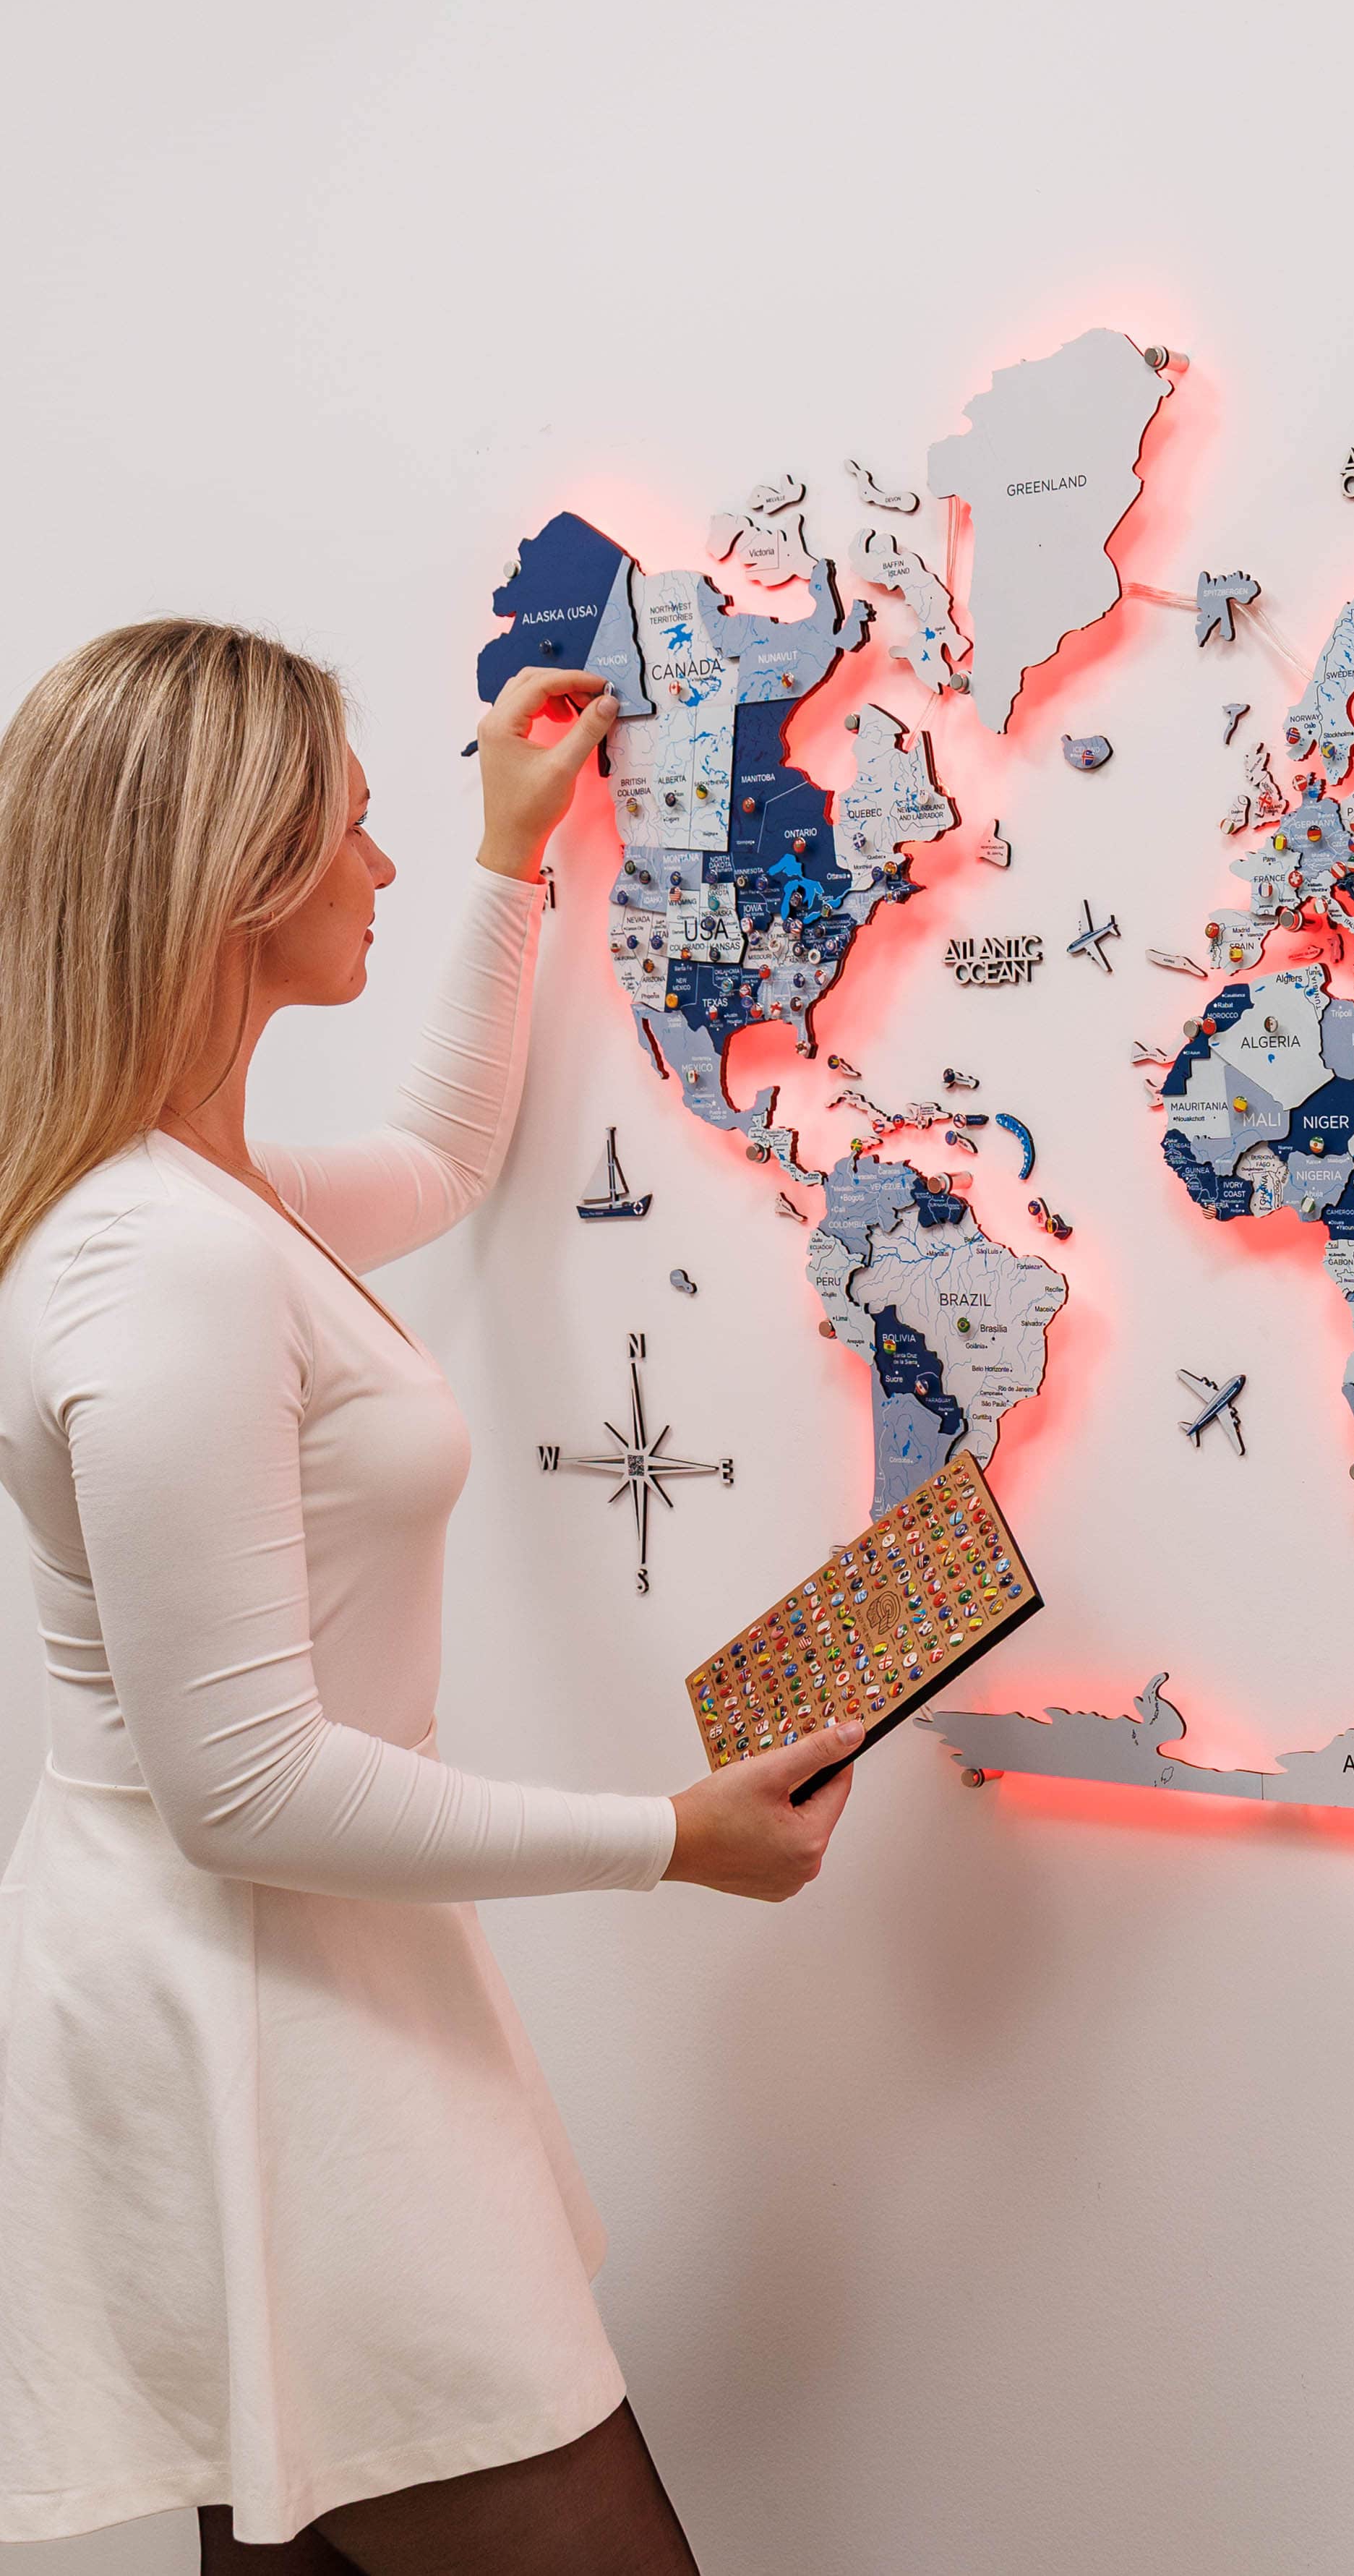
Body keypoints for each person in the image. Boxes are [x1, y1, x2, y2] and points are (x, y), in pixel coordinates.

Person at [0, 621, 864, 2572]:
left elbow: (441, 1152)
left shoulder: (196, 1200)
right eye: (358, 835)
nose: (383, 868)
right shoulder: (162, 1260)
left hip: (279, 1983)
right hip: (258, 2002)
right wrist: (672, 1841)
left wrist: (508, 858)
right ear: (234, 880)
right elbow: (243, 1787)